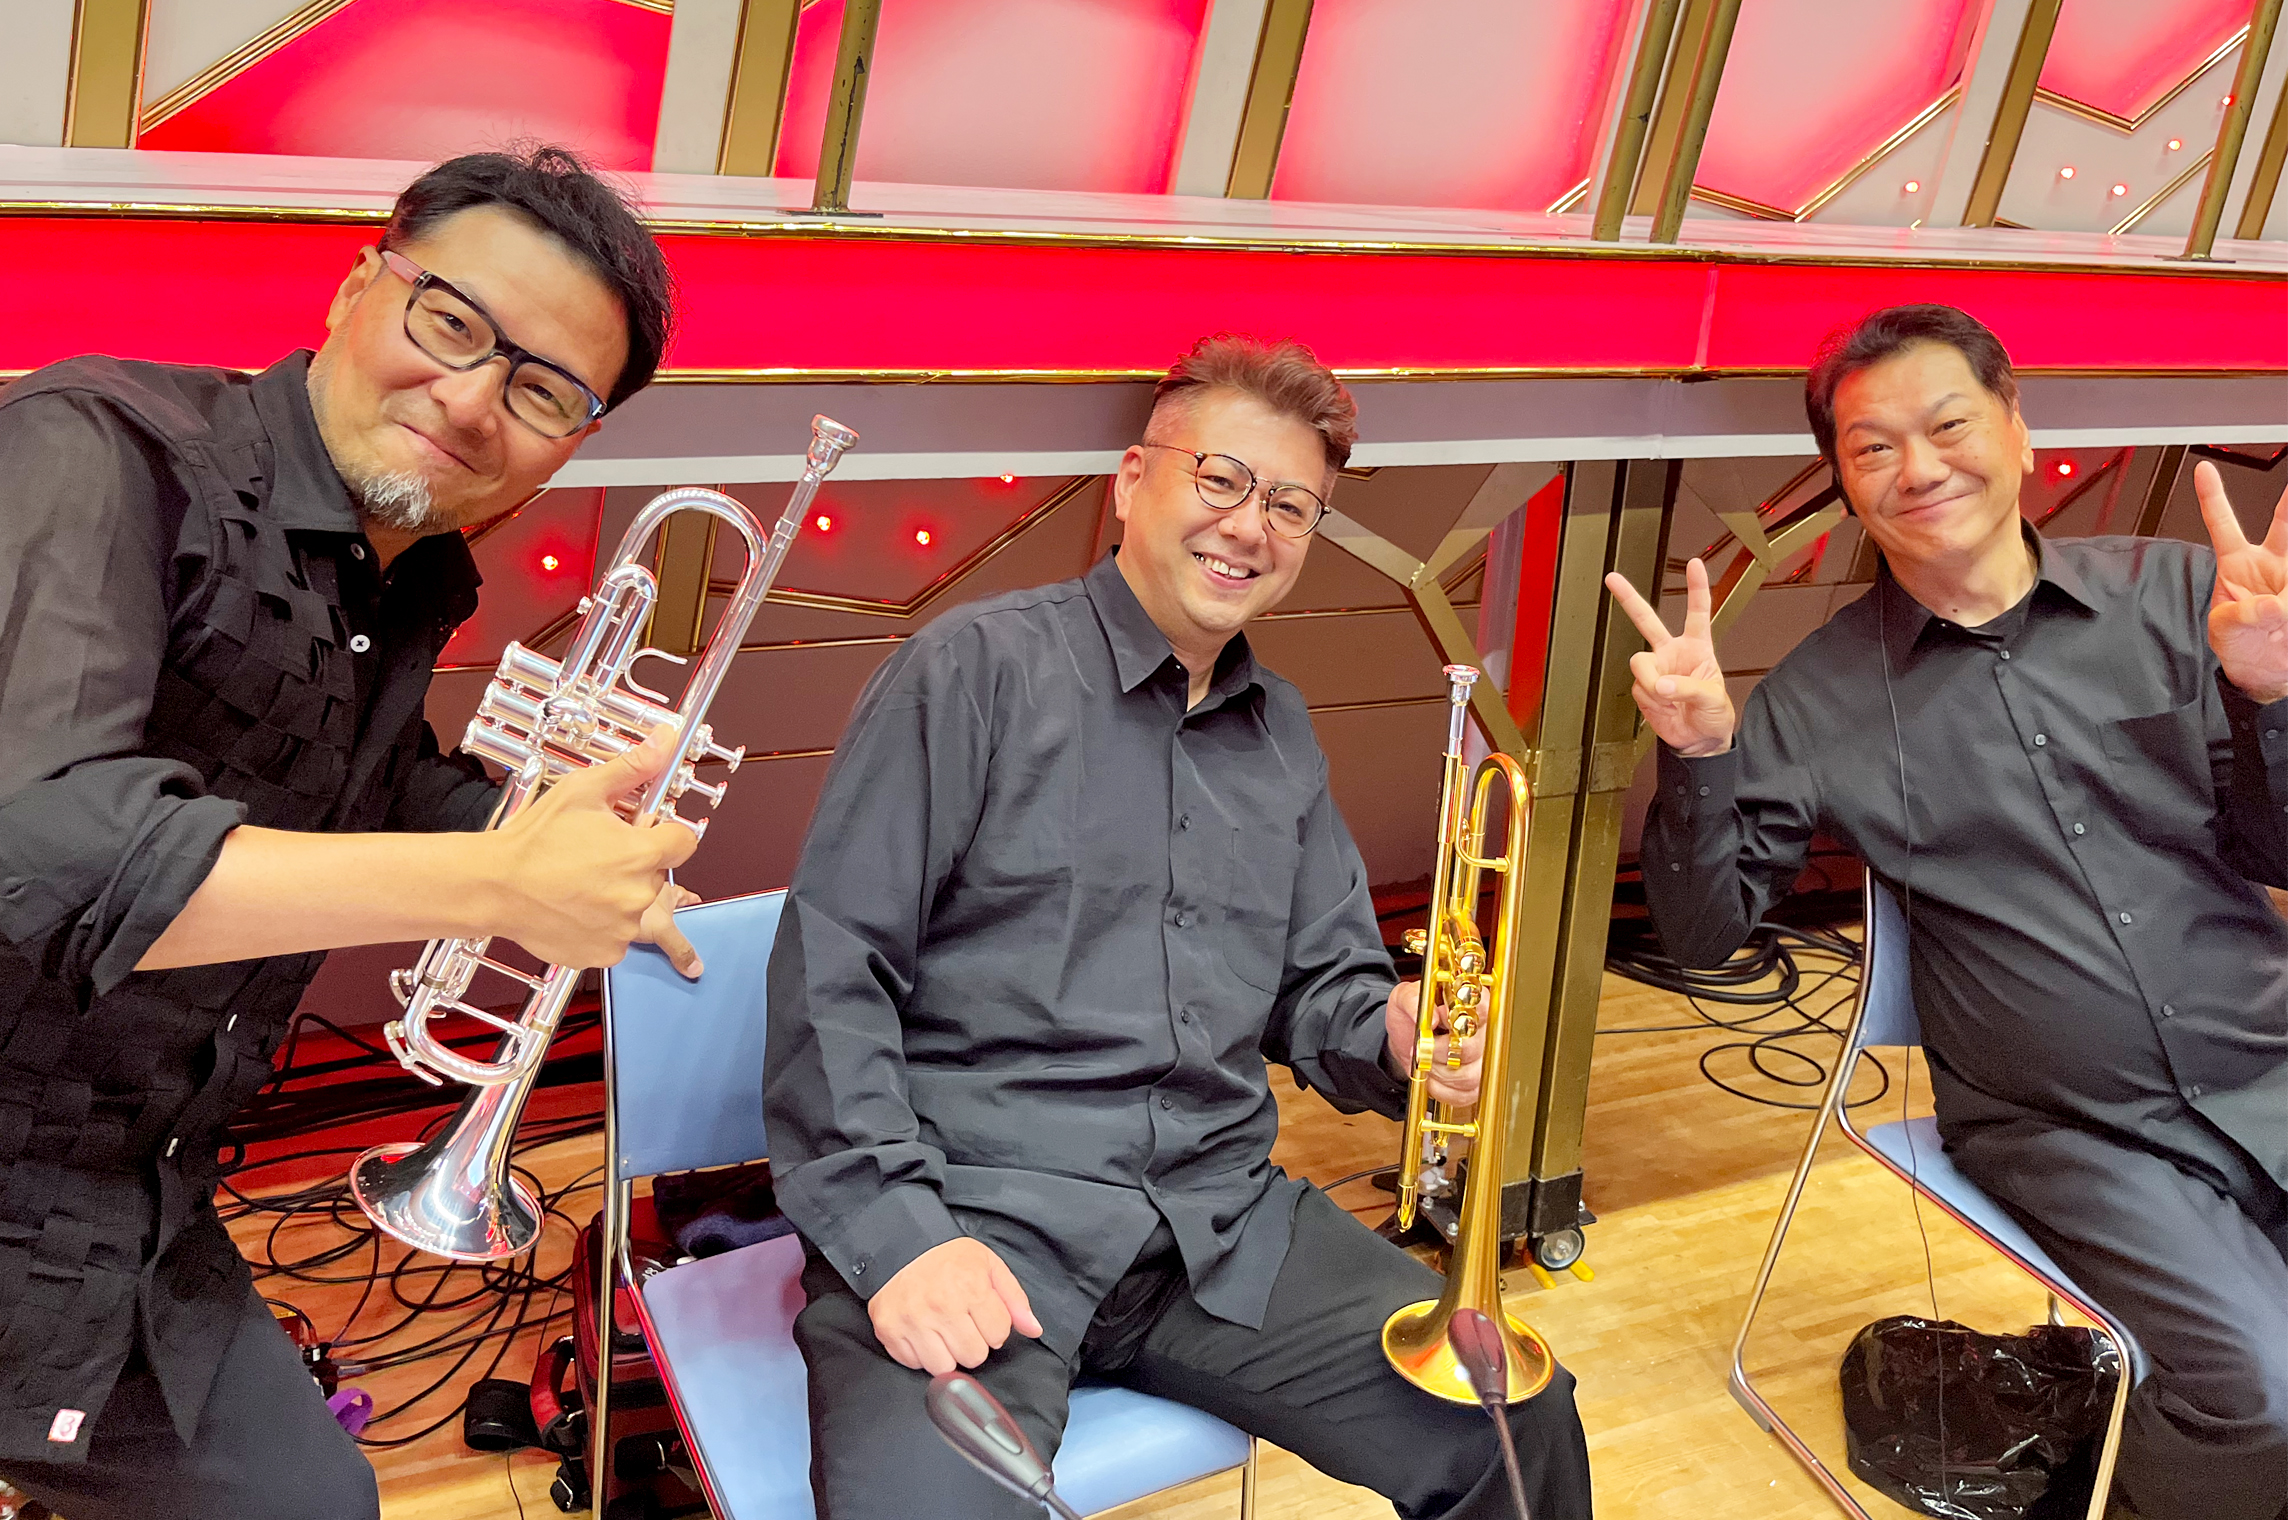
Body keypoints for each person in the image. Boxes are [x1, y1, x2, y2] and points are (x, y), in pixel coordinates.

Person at [764, 333, 1594, 1519]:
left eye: (1290, 506)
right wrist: (898, 1239)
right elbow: (831, 973)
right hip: (973, 1215)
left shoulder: (1280, 733)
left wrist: (1392, 1030)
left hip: (1214, 1224)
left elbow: (1320, 982)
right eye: (1221, 478)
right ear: (1130, 480)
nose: (1249, 526)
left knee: (1511, 1416)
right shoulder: (971, 670)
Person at [0, 147, 709, 1520]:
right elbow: (50, 846)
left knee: (313, 1503)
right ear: (354, 287)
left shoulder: (405, 576)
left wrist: (566, 836)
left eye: (542, 391)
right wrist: (495, 876)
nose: (472, 398)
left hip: (126, 1196)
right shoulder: (101, 448)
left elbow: (364, 783)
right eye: (452, 322)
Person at [1607, 303, 2288, 1520]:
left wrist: (2269, 694)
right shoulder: (1817, 696)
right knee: (2262, 1388)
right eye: (1871, 448)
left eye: (1947, 425)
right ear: (1843, 487)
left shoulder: (2183, 597)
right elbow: (1705, 933)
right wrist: (1698, 755)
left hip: (2265, 1054)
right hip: (2067, 1126)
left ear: (2017, 429)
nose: (1917, 467)